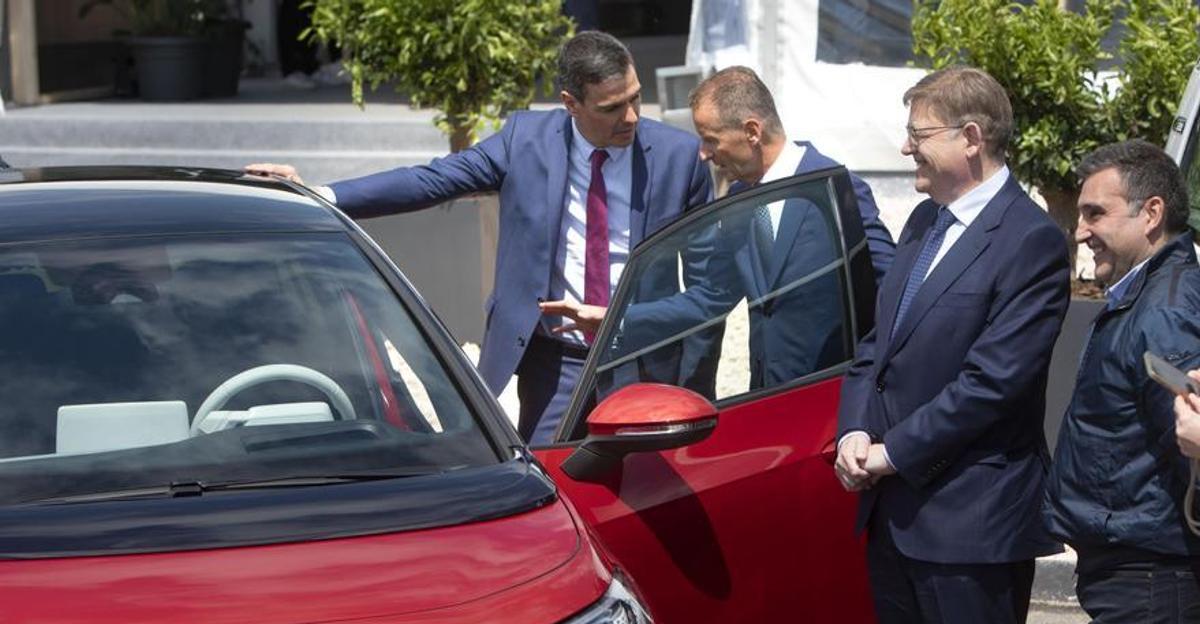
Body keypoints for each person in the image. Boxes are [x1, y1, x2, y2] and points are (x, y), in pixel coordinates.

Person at [246, 31, 712, 444]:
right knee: (550, 481)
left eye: (635, 97)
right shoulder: (524, 141)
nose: (631, 116)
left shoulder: (679, 157)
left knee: (651, 490)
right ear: (570, 104)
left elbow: (707, 288)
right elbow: (430, 181)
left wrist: (698, 383)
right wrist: (321, 192)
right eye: (611, 108)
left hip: (641, 354)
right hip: (555, 362)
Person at [834, 66, 1070, 624]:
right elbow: (876, 347)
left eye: (918, 133)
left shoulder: (1030, 241)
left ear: (971, 137)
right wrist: (855, 431)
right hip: (893, 515)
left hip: (970, 524)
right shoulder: (923, 220)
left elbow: (992, 383)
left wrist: (893, 453)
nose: (905, 146)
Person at [545, 65, 895, 391]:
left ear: (752, 132)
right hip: (768, 399)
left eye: (710, 139)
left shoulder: (837, 189)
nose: (703, 154)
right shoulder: (739, 201)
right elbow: (709, 300)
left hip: (837, 394)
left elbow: (893, 288)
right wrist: (614, 319)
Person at [1043, 139, 1200, 624]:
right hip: (1136, 572)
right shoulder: (1147, 294)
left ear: (1151, 213)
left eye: (1096, 214)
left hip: (1151, 579)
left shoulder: (1167, 309)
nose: (1081, 230)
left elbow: (1188, 447)